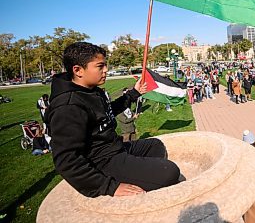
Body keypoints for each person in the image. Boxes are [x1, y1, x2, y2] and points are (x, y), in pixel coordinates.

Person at [45, 42, 180, 197]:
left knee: (156, 146)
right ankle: (133, 175)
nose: (106, 70)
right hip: (101, 161)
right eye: (100, 66)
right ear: (78, 70)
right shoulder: (67, 106)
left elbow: (107, 112)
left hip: (115, 148)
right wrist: (110, 187)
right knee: (170, 172)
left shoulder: (91, 90)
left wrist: (134, 93)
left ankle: (136, 171)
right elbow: (66, 160)